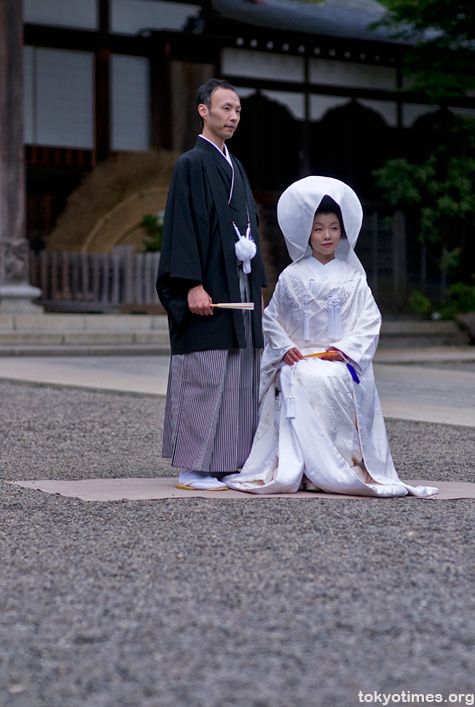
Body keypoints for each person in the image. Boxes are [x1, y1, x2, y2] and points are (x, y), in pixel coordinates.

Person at [225, 176, 438, 497]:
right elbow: (271, 319)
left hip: (340, 359)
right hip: (300, 358)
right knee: (303, 377)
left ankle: (343, 465)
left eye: (334, 227)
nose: (327, 236)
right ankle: (304, 468)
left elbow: (369, 321)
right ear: (306, 234)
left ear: (343, 231)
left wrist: (345, 349)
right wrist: (284, 348)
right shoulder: (291, 276)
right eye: (319, 228)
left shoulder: (353, 276)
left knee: (331, 378)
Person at [156, 78, 267, 491]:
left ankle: (227, 461)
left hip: (238, 287)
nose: (233, 116)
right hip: (208, 288)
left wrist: (257, 285)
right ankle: (191, 467)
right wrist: (191, 285)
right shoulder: (191, 163)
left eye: (237, 110)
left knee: (239, 377)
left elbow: (250, 229)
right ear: (203, 110)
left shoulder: (235, 166)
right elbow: (183, 228)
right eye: (225, 108)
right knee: (204, 374)